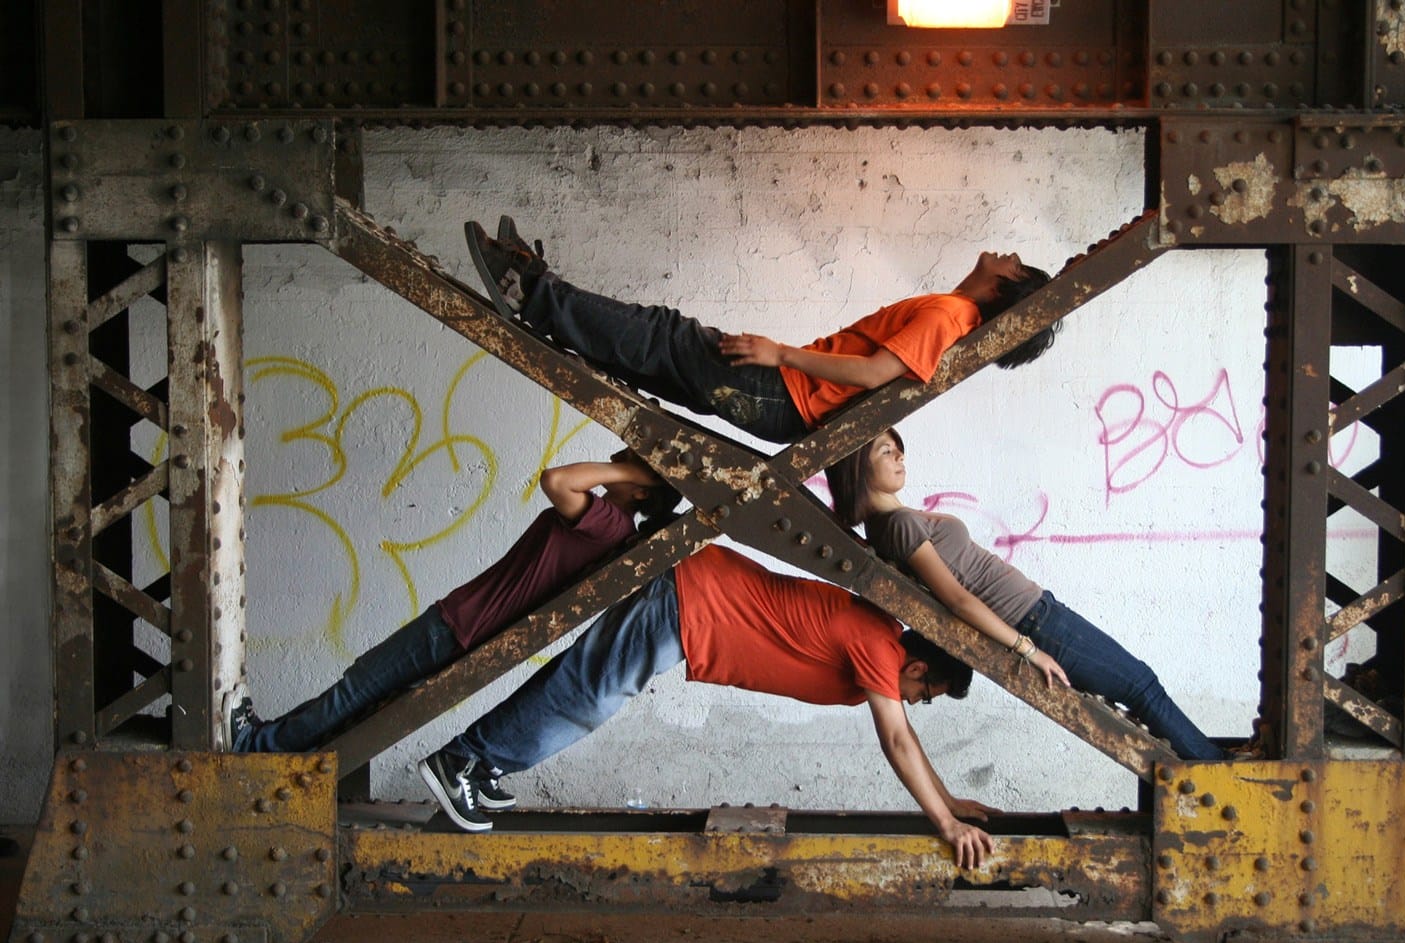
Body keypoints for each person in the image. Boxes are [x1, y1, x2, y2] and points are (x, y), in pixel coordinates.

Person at [419, 544, 997, 869]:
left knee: (585, 687)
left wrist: (948, 801)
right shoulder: (881, 646)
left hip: (691, 600)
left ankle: (479, 762)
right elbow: (897, 740)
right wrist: (944, 823)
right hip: (689, 604)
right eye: (925, 693)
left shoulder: (883, 640)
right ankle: (464, 762)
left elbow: (905, 737)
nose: (916, 702)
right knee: (586, 696)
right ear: (918, 668)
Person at [227, 451, 682, 809]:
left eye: (630, 459)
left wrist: (633, 473)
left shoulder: (606, 522)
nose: (619, 454)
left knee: (355, 689)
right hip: (467, 625)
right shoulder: (612, 526)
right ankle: (273, 743)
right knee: (360, 698)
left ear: (641, 490)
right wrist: (634, 474)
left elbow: (556, 479)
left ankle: (256, 746)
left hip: (458, 622)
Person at [466, 216, 1058, 443]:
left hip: (785, 396)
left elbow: (876, 372)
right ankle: (537, 295)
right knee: (657, 356)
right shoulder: (951, 311)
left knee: (666, 335)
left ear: (1010, 287)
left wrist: (781, 355)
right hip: (784, 400)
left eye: (1017, 265)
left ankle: (532, 292)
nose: (1008, 255)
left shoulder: (952, 315)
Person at [827, 429, 1227, 762]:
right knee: (1140, 686)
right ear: (857, 469)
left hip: (1037, 614)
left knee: (1139, 687)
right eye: (886, 451)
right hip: (1034, 621)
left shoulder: (897, 521)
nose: (900, 457)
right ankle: (1218, 773)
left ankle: (1212, 764)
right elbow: (957, 599)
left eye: (899, 449)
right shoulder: (897, 525)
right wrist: (1028, 649)